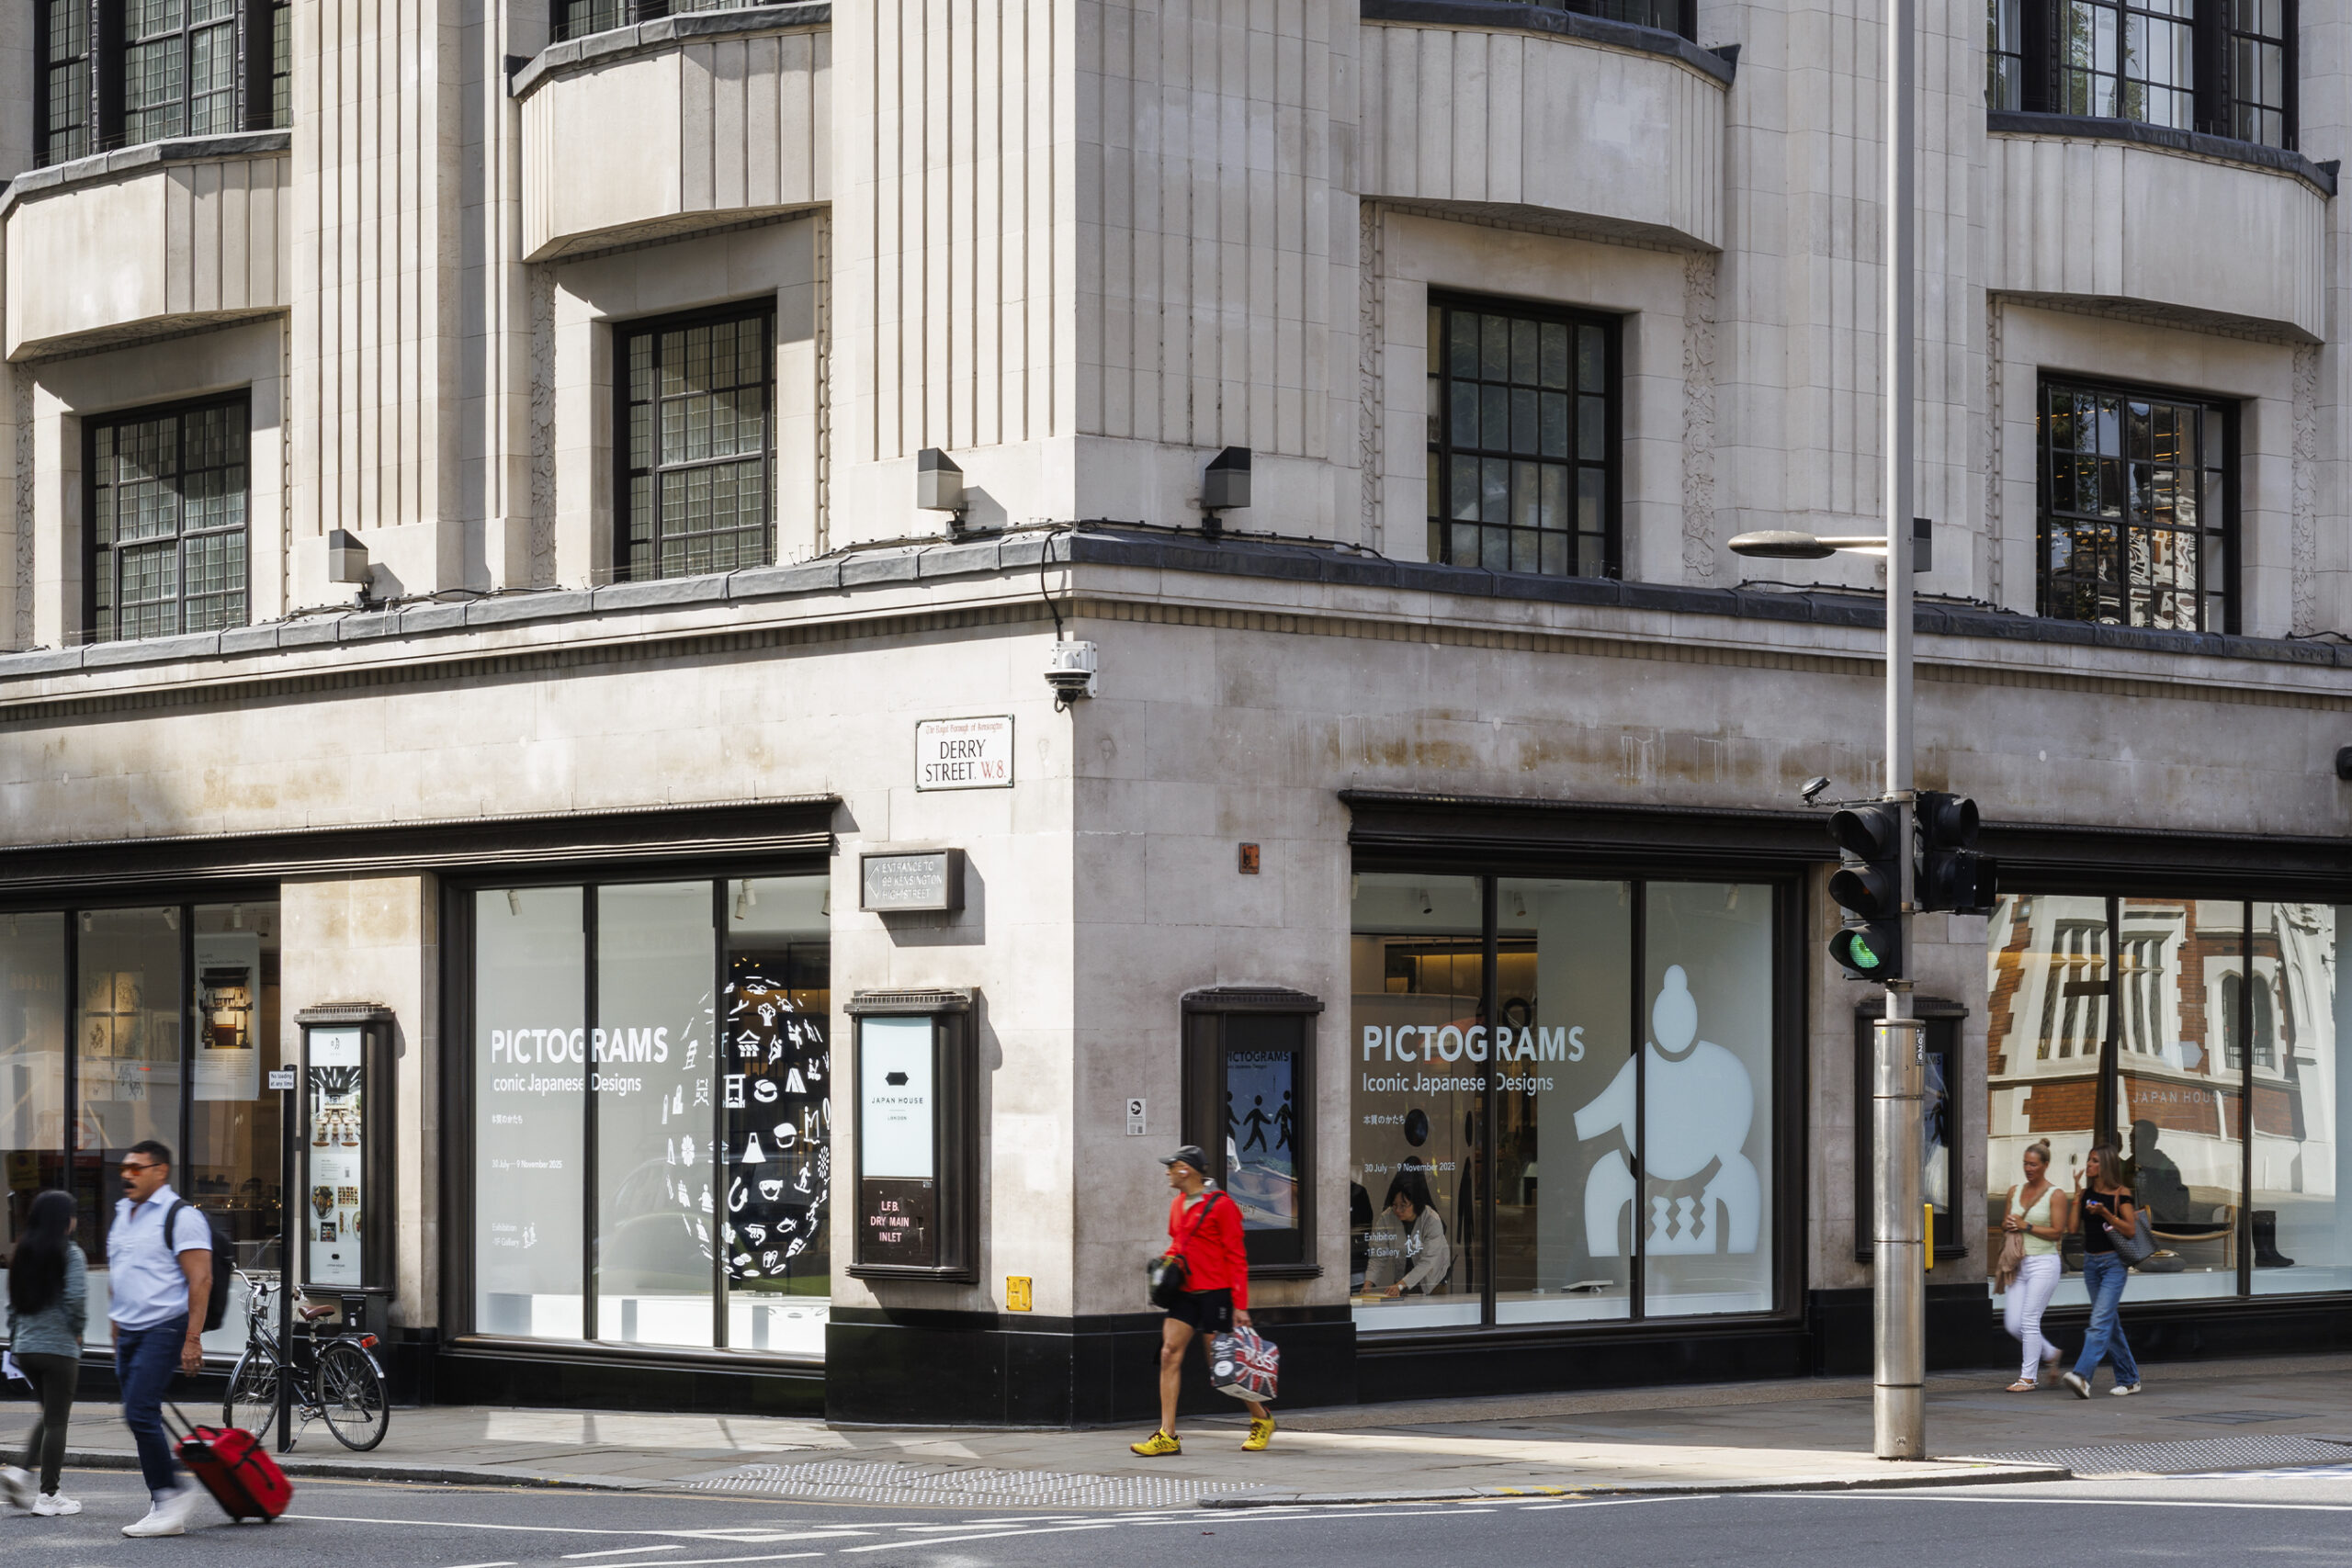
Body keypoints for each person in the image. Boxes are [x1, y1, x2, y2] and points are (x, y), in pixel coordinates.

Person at [1130, 1145, 1274, 1457]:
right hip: (1185, 1292)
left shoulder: (1222, 1206)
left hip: (1216, 1292)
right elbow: (1178, 1244)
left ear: (1187, 1170)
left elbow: (1237, 1257)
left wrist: (1240, 1305)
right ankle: (1167, 1435)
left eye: (1172, 1167)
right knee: (1169, 1353)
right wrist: (1165, 1266)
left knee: (1220, 1363)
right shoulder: (1177, 1204)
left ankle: (1261, 1418)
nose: (1167, 1172)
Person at [108, 1141, 215, 1537]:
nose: (127, 1175)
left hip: (164, 1326)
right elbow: (122, 1268)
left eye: (137, 1168)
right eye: (125, 1167)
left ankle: (170, 1493)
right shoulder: (123, 1212)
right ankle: (163, 1502)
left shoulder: (181, 1217)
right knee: (143, 1416)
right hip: (129, 1329)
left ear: (161, 1171)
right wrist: (115, 1320)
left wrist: (193, 1338)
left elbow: (201, 1279)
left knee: (138, 1411)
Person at [3, 1190, 88, 1516]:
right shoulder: (71, 1254)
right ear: (64, 1220)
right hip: (58, 1349)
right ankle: (49, 1496)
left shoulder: (22, 1252)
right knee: (57, 1421)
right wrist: (77, 1329)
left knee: (50, 1414)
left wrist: (18, 1337)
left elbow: (12, 1307)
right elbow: (76, 1299)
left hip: (25, 1348)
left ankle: (20, 1471)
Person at [2062, 1143, 2143, 1399]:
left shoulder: (2121, 1193)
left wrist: (2106, 1213)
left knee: (2098, 1323)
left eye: (2095, 1161)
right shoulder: (2086, 1194)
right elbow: (2073, 1228)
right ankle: (2130, 1380)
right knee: (2109, 1323)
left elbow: (2130, 1229)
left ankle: (2082, 1376)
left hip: (2113, 1265)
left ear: (2106, 1165)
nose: (2089, 1165)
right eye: (2088, 1160)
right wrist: (2076, 1196)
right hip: (2090, 1264)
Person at [1998, 1140, 2068, 1393]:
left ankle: (2028, 1378)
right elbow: (2005, 1224)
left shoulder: (2055, 1194)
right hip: (2018, 1262)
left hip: (2044, 1263)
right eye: (2025, 1163)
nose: (2028, 1168)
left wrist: (2026, 1226)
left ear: (2045, 1165)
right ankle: (2051, 1353)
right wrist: (2009, 1224)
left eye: (2034, 1164)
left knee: (2029, 1319)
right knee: (2012, 1323)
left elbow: (2057, 1232)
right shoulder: (2014, 1191)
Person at [1367, 1163, 1451, 1298]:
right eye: (1394, 1205)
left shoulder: (1431, 1220)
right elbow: (1378, 1253)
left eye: (1403, 1205)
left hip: (1432, 1281)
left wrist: (1401, 1285)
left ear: (1416, 1203)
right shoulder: (1387, 1217)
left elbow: (1428, 1261)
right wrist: (1368, 1283)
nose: (1397, 1210)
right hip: (1401, 1279)